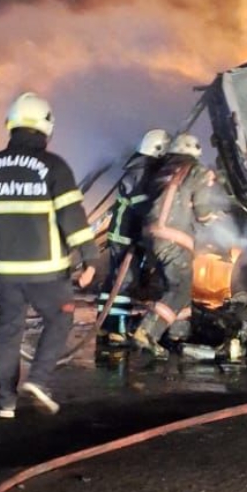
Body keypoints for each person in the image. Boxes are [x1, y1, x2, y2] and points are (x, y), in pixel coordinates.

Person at [0, 92, 99, 418]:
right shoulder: (54, 167)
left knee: (8, 332)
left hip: (5, 270)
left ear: (11, 126)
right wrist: (90, 258)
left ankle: (5, 401)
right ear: (46, 129)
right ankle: (38, 379)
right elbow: (73, 218)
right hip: (46, 270)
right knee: (61, 317)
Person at [132, 133, 223, 354]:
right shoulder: (197, 171)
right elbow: (202, 209)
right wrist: (213, 217)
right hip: (174, 237)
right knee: (180, 290)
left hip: (152, 237)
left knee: (176, 286)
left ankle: (178, 334)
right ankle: (148, 331)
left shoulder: (162, 170)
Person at [96, 129, 170, 349]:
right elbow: (140, 203)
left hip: (124, 232)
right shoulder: (142, 170)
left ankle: (104, 324)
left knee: (114, 279)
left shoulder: (138, 166)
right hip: (126, 234)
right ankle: (116, 329)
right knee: (125, 281)